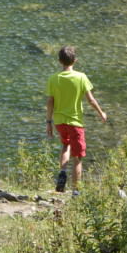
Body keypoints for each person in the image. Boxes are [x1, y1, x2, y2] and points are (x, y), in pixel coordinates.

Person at [45, 45, 107, 194]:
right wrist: (101, 113)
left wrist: (49, 122)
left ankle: (62, 172)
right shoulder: (81, 77)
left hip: (60, 121)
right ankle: (76, 191)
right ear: (75, 60)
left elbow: (50, 102)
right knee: (78, 157)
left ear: (60, 61)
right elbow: (91, 100)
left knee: (65, 145)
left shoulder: (54, 79)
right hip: (75, 122)